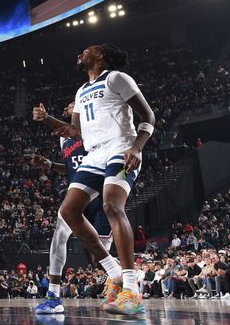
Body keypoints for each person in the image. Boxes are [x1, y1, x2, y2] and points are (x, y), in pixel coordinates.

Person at [45, 44, 155, 316]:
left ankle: (131, 291)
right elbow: (76, 131)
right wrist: (48, 121)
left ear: (100, 56)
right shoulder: (81, 91)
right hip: (94, 154)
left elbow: (148, 116)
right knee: (68, 211)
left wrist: (137, 147)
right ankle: (113, 270)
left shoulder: (116, 78)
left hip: (121, 146)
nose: (81, 52)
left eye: (87, 49)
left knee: (111, 206)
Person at [31, 101, 113, 314]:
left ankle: (125, 281)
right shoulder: (62, 138)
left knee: (98, 258)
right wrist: (50, 165)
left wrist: (46, 118)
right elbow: (69, 169)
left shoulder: (93, 126)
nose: (68, 106)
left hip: (100, 192)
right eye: (67, 105)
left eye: (72, 104)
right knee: (59, 235)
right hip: (77, 193)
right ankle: (53, 296)